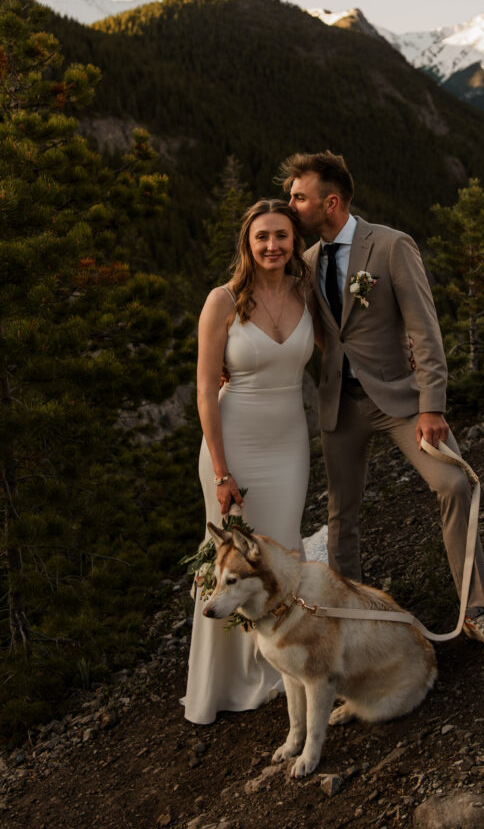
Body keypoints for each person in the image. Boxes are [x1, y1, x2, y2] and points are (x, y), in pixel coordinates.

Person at [281, 151, 484, 658]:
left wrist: (432, 404)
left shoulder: (389, 246)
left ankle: (478, 612)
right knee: (341, 516)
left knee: (454, 483)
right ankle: (350, 627)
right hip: (339, 408)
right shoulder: (306, 263)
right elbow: (323, 333)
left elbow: (424, 328)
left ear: (331, 201)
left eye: (298, 197)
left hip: (402, 401)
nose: (291, 205)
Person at [182, 199, 316, 724]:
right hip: (233, 443)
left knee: (280, 550)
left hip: (290, 443)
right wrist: (221, 471)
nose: (272, 246)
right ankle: (221, 683)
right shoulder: (223, 301)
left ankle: (276, 664)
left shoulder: (307, 294)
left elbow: (343, 349)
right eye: (262, 236)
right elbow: (203, 390)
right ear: (247, 242)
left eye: (282, 236)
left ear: (294, 242)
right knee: (227, 558)